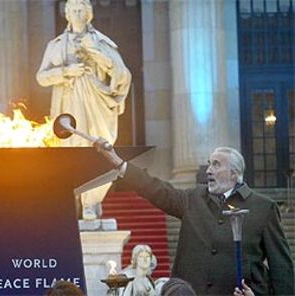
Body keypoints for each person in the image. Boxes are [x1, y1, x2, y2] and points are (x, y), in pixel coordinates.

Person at [95, 138, 294, 295]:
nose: (208, 170)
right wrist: (121, 164)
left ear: (234, 173)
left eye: (216, 165)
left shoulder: (264, 208)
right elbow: (156, 189)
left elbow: (281, 267)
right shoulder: (193, 198)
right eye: (209, 164)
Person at [37, 0, 132, 220]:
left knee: (99, 149)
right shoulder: (56, 45)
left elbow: (122, 72)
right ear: (67, 15)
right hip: (68, 105)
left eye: (81, 10)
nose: (77, 13)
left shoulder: (101, 42)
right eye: (73, 10)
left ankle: (92, 202)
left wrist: (95, 51)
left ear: (88, 14)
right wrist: (66, 71)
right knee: (71, 152)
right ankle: (71, 203)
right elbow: (41, 77)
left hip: (96, 102)